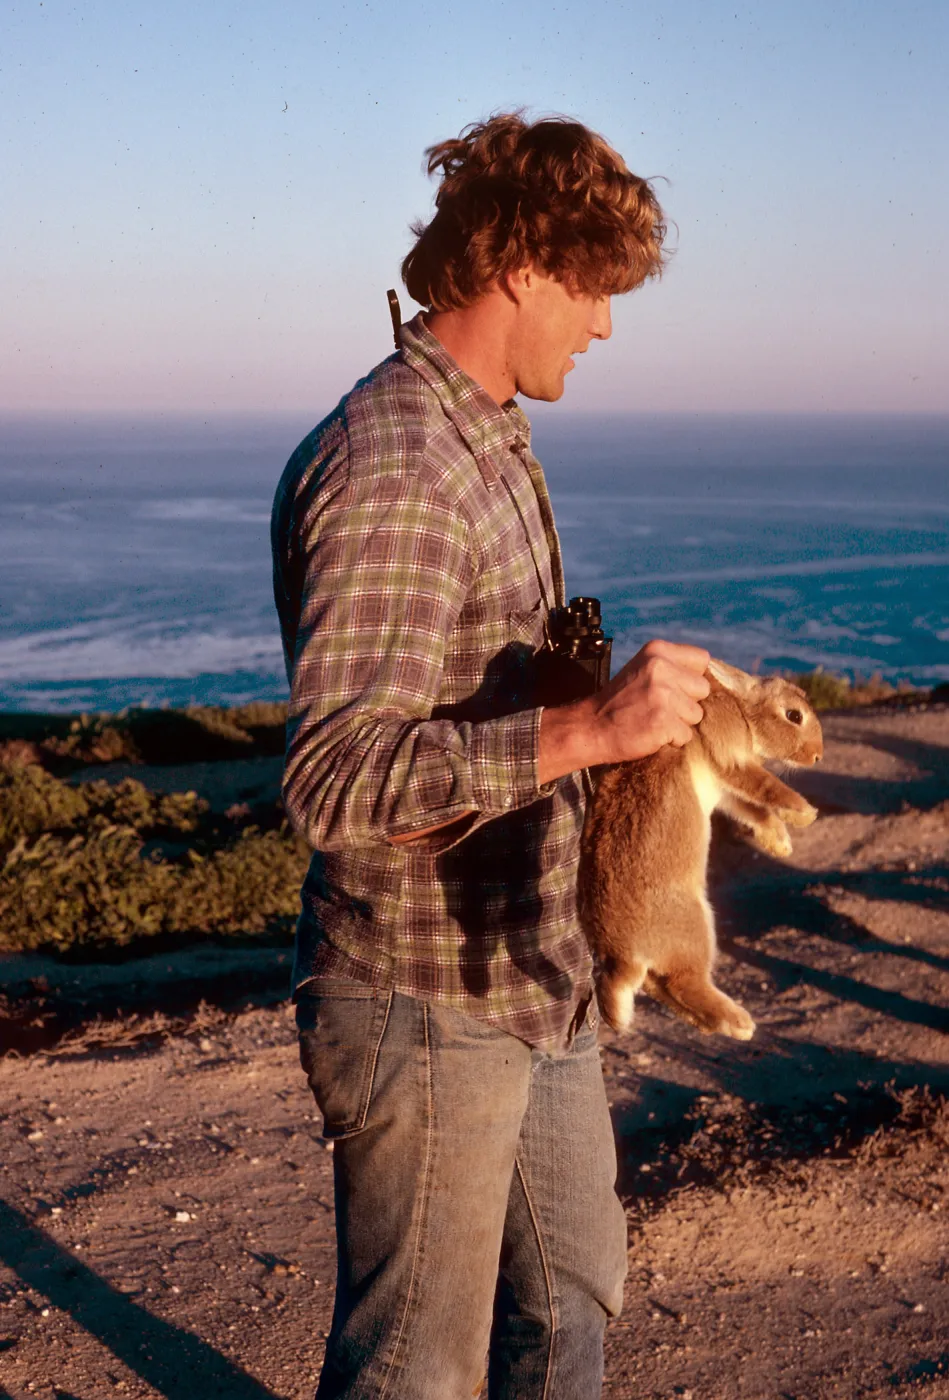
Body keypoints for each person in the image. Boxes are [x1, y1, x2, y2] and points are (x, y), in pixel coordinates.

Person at [271, 112, 711, 1400]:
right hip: (423, 999)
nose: (607, 325)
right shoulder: (400, 465)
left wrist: (589, 708)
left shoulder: (489, 430)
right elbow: (335, 780)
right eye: (592, 290)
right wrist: (588, 728)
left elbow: (467, 696)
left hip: (532, 970)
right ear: (520, 267)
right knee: (417, 1368)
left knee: (568, 1313)